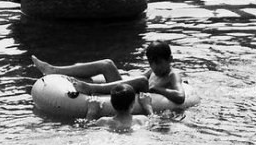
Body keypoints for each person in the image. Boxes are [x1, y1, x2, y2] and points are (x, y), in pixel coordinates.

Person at [32, 40, 185, 105]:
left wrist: (157, 89)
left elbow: (180, 96)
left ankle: (91, 88)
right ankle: (53, 70)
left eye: (159, 63)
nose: (155, 67)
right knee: (107, 64)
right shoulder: (153, 70)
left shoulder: (172, 74)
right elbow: (135, 80)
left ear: (170, 59)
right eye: (151, 63)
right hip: (128, 91)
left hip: (134, 98)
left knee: (143, 81)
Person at [86, 84, 153, 131]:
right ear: (133, 104)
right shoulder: (142, 120)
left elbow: (88, 129)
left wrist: (91, 112)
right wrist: (148, 106)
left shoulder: (103, 122)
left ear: (111, 103)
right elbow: (154, 123)